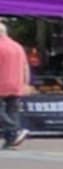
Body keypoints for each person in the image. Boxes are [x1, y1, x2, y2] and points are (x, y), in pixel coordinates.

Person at [0, 19, 28, 150]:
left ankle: (14, 130)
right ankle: (11, 140)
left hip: (2, 82)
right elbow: (25, 66)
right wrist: (26, 83)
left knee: (3, 113)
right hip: (16, 83)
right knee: (12, 112)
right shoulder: (18, 46)